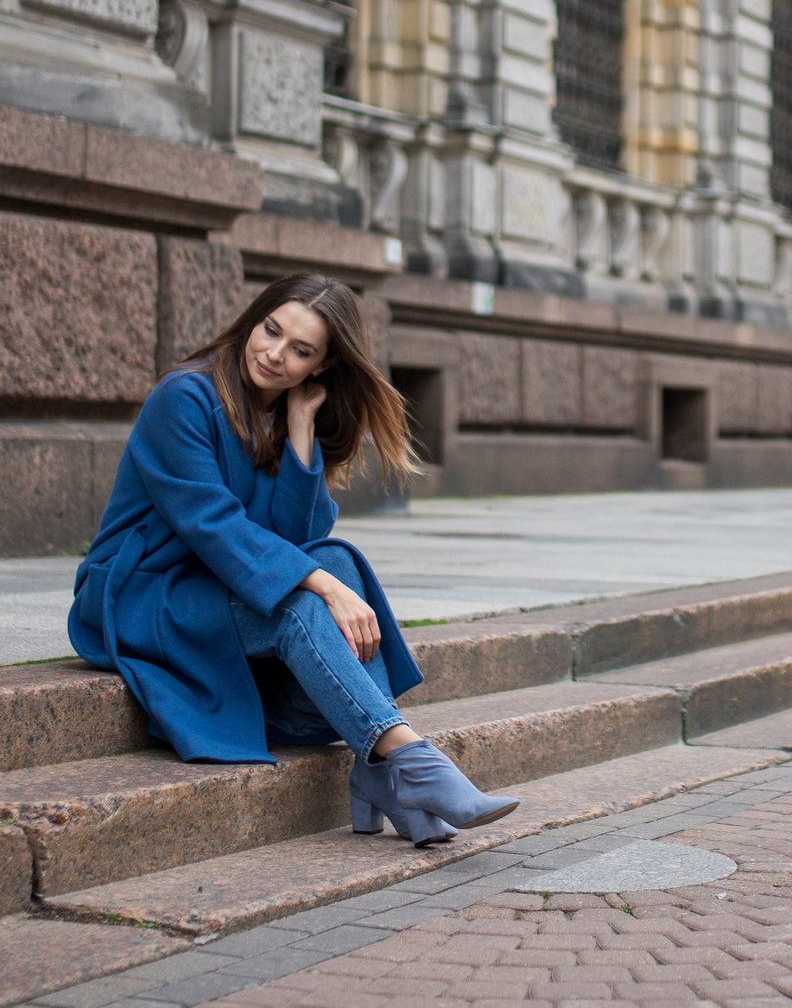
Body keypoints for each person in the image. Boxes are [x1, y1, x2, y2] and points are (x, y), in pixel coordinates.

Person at [68, 271, 515, 846]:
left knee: (335, 559)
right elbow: (214, 527)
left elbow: (294, 539)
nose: (274, 354)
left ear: (321, 367)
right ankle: (407, 761)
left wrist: (301, 427)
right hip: (145, 594)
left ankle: (383, 767)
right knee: (311, 595)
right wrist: (323, 586)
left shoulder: (280, 413)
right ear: (254, 319)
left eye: (299, 350)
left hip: (215, 593)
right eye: (270, 331)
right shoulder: (183, 398)